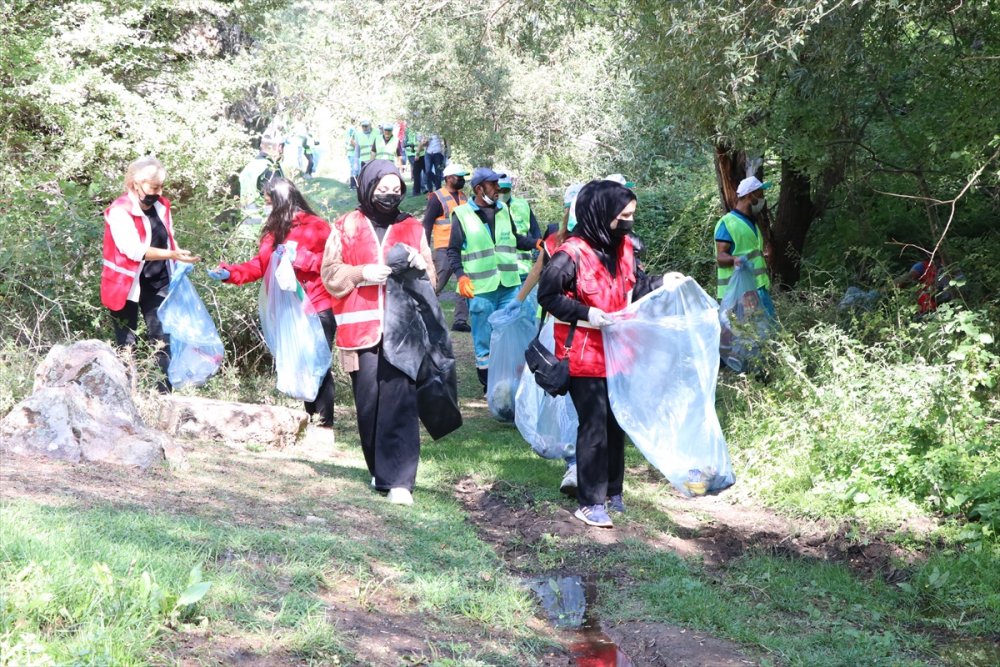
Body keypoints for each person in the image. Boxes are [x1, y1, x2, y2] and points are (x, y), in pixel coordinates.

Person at [537, 180, 665, 528]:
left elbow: (634, 285)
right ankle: (590, 502)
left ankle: (613, 491)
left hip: (618, 352)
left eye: (632, 216)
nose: (628, 222)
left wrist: (663, 281)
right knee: (593, 423)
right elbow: (547, 297)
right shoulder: (571, 254)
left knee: (615, 421)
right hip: (583, 354)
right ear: (601, 213)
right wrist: (586, 313)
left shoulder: (622, 247)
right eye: (622, 216)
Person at [320, 160, 436, 506]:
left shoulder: (413, 226)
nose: (390, 196)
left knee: (401, 402)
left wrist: (418, 263)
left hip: (404, 329)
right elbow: (331, 275)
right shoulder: (345, 226)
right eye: (382, 189)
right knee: (369, 405)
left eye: (396, 190)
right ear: (368, 187)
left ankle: (400, 480)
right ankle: (379, 471)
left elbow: (431, 277)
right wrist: (361, 273)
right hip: (361, 332)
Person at [207, 178, 336, 427]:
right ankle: (310, 421)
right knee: (301, 365)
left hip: (316, 305)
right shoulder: (272, 230)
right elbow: (260, 266)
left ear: (281, 201)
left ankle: (324, 424)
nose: (265, 206)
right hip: (289, 311)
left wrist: (299, 258)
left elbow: (330, 266)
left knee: (317, 364)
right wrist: (229, 272)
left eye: (268, 202)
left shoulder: (316, 226)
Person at [506, 183, 583, 495]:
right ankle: (572, 460)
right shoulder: (556, 241)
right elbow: (538, 271)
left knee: (580, 400)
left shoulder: (607, 244)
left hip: (589, 331)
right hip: (559, 331)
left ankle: (582, 461)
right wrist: (518, 299)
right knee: (562, 395)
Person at [101, 156, 200, 393]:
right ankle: (127, 395)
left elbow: (169, 237)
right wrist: (172, 255)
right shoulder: (119, 211)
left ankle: (162, 396)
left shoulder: (161, 206)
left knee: (163, 340)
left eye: (161, 187)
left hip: (158, 282)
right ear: (136, 183)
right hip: (125, 286)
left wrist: (176, 259)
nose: (158, 192)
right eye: (153, 187)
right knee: (126, 344)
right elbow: (133, 250)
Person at [447, 167, 536, 393]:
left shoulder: (504, 209)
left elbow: (515, 239)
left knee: (510, 335)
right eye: (493, 184)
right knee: (484, 339)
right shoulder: (462, 214)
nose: (498, 188)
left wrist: (536, 243)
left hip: (509, 286)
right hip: (481, 289)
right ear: (479, 188)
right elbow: (453, 251)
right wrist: (461, 276)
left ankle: (512, 384)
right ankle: (490, 388)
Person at [714, 176, 775, 318]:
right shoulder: (727, 223)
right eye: (759, 193)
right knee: (745, 335)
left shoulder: (751, 223)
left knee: (766, 333)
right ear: (750, 195)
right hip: (738, 292)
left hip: (758, 287)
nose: (762, 198)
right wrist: (734, 259)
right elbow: (720, 256)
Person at [423, 163, 471, 332]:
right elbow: (427, 224)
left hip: (463, 248)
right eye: (459, 177)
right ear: (449, 178)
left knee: (464, 284)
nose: (462, 180)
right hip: (443, 249)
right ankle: (425, 318)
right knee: (435, 284)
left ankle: (460, 321)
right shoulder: (437, 197)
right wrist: (425, 248)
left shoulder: (465, 198)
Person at [497, 175, 542, 281]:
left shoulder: (522, 205)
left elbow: (535, 231)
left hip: (523, 269)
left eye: (506, 190)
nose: (503, 193)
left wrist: (539, 251)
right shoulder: (489, 209)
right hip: (500, 271)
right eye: (500, 190)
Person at [238, 138, 285, 213]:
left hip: (246, 220)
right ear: (279, 147)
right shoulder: (270, 168)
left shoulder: (250, 166)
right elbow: (277, 200)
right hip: (264, 221)